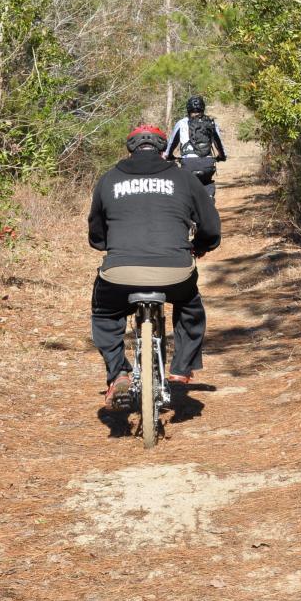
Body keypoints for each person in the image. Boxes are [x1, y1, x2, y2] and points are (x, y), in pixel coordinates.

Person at [88, 123, 222, 409]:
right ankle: (181, 368)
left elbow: (96, 235)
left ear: (130, 147)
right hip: (175, 272)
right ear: (163, 148)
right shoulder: (185, 179)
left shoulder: (109, 179)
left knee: (104, 313)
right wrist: (201, 246)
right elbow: (210, 226)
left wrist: (109, 245)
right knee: (189, 306)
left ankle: (118, 373)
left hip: (120, 272)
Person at [166, 95, 228, 198]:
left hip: (188, 165)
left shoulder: (181, 123)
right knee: (207, 182)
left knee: (185, 188)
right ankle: (209, 200)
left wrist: (169, 156)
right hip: (207, 165)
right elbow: (218, 144)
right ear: (203, 108)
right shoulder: (210, 123)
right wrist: (222, 156)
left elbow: (171, 145)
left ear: (188, 109)